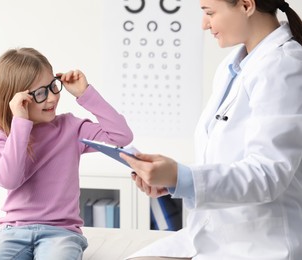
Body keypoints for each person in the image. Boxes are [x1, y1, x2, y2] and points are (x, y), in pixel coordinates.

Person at [120, 0, 302, 259]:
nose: (204, 24)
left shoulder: (284, 67)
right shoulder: (234, 66)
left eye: (209, 13)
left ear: (247, 5)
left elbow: (268, 174)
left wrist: (181, 177)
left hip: (261, 246)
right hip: (213, 237)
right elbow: (223, 159)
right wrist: (173, 182)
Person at [0, 47, 133, 260]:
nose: (52, 98)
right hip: (14, 231)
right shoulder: (3, 136)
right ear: (16, 100)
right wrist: (21, 124)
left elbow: (121, 136)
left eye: (52, 86)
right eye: (40, 93)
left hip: (61, 233)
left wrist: (85, 94)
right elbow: (9, 179)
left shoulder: (71, 128)